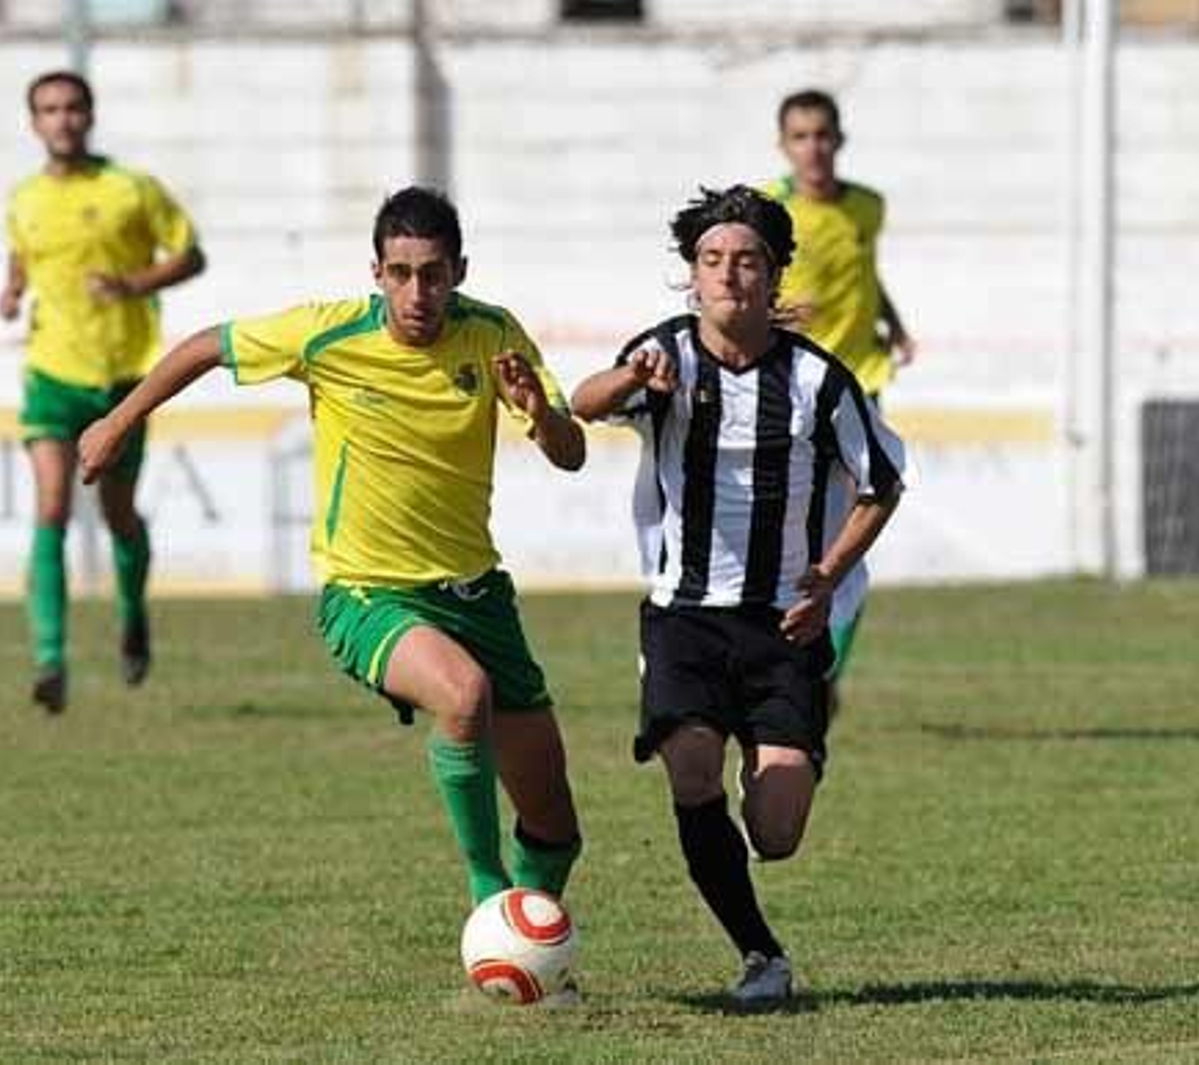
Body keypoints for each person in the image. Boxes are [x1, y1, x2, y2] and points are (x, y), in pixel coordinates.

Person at [77, 186, 587, 952]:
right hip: (367, 593)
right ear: (376, 272)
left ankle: (520, 953)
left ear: (460, 270)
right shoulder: (328, 334)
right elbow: (205, 346)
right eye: (402, 272)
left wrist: (541, 415)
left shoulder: (493, 335)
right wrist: (118, 422)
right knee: (464, 694)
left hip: (479, 595)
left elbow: (571, 452)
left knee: (554, 828)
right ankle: (488, 899)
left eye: (435, 273)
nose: (419, 292)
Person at [570, 186, 907, 1007]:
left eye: (748, 260)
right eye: (713, 261)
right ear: (692, 275)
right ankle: (761, 953)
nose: (730, 276)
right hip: (683, 613)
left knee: (778, 832)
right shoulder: (665, 356)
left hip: (781, 623)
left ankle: (785, 766)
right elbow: (579, 406)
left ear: (774, 272)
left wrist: (828, 576)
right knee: (690, 765)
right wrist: (625, 378)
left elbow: (882, 484)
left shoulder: (817, 381)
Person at [0, 70, 206, 712]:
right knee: (52, 506)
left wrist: (134, 285)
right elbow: (21, 258)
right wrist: (10, 289)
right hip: (51, 372)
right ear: (34, 123)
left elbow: (191, 255)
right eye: (49, 110)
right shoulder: (23, 197)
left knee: (118, 515)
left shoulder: (130, 189)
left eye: (72, 108)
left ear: (90, 115)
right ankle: (50, 660)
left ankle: (132, 611)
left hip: (122, 378)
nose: (62, 119)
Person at [764, 88, 916, 703]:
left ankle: (825, 676)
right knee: (790, 535)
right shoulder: (768, 207)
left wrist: (894, 321)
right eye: (800, 136)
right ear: (784, 146)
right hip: (795, 385)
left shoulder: (867, 207)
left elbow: (865, 272)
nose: (813, 148)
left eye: (822, 134)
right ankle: (784, 658)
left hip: (860, 383)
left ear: (839, 140)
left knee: (857, 528)